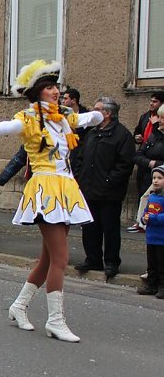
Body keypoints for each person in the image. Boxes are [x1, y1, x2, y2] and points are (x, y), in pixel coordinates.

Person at [0, 60, 103, 342]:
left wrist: (96, 116)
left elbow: (90, 119)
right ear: (38, 91)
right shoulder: (29, 119)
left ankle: (19, 306)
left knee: (49, 258)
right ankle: (55, 321)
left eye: (57, 87)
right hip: (46, 190)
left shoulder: (63, 117)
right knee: (61, 258)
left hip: (66, 188)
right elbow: (6, 127)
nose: (56, 91)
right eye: (50, 87)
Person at [72, 97, 135, 278]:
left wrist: (109, 181)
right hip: (88, 188)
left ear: (107, 113)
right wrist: (79, 177)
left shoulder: (122, 135)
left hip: (109, 193)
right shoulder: (92, 133)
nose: (93, 111)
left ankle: (112, 262)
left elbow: (125, 164)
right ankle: (93, 259)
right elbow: (81, 157)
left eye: (97, 109)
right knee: (90, 228)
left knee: (110, 229)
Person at [129, 92, 164, 232]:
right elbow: (138, 154)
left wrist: (157, 165)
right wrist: (150, 163)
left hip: (159, 175)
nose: (159, 120)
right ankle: (142, 222)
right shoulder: (154, 134)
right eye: (159, 117)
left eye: (162, 118)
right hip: (146, 172)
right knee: (145, 199)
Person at [137, 165, 164, 297]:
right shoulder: (152, 197)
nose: (155, 181)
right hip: (151, 237)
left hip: (161, 238)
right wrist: (144, 218)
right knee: (151, 264)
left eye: (159, 178)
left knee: (161, 264)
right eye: (154, 178)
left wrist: (153, 218)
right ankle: (151, 285)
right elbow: (147, 211)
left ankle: (162, 286)